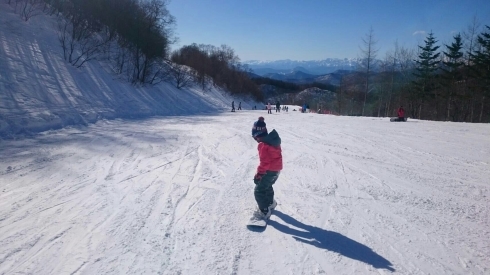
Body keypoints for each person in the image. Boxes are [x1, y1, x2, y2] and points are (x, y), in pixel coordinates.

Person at [251, 117, 282, 219]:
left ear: (257, 136)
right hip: (277, 169)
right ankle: (270, 203)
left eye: (255, 138)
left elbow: (264, 163)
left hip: (270, 170)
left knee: (259, 190)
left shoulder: (263, 145)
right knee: (268, 186)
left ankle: (264, 211)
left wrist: (259, 175)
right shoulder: (272, 141)